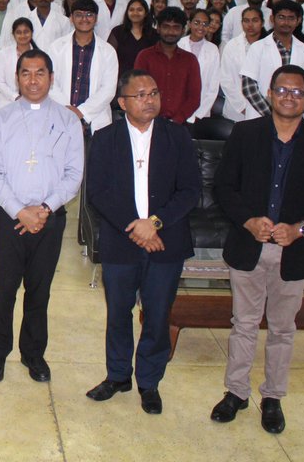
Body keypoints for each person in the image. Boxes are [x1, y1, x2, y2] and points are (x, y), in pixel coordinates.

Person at [210, 65, 304, 434]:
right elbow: (224, 188)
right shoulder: (245, 133)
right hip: (249, 244)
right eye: (282, 90)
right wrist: (248, 221)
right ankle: (236, 392)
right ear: (269, 93)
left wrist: (301, 229)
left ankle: (273, 397)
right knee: (244, 324)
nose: (289, 97)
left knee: (283, 329)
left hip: (293, 250)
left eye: (298, 92)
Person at [85, 69, 201, 411]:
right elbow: (98, 192)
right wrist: (135, 227)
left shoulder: (177, 136)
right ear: (122, 103)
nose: (149, 100)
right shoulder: (105, 138)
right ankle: (118, 375)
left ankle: (149, 382)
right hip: (121, 241)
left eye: (154, 93)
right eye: (140, 95)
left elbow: (190, 190)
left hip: (166, 240)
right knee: (118, 313)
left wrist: (154, 223)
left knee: (157, 313)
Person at [0, 50, 83, 383]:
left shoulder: (68, 121)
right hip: (9, 216)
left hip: (49, 218)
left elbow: (74, 174)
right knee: (3, 290)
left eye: (40, 73)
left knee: (40, 290)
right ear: (17, 78)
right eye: (26, 73)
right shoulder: (2, 118)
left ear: (51, 78)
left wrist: (45, 209)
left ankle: (34, 354)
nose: (33, 80)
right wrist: (19, 211)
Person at [49, 0, 120, 133]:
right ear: (71, 18)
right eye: (79, 15)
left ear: (96, 19)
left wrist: (81, 112)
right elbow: (50, 83)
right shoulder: (56, 47)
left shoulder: (108, 51)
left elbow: (108, 89)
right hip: (62, 117)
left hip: (95, 122)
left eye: (89, 15)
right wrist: (69, 111)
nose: (84, 19)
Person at [240, 0, 304, 118]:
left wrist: (293, 111)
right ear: (272, 19)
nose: (286, 22)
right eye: (281, 17)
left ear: (298, 21)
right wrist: (273, 115)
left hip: (293, 117)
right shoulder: (257, 48)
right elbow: (248, 87)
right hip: (261, 115)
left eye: (291, 18)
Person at [133, 7, 200, 124]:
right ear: (158, 28)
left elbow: (194, 98)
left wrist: (176, 120)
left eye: (176, 27)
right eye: (166, 27)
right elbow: (138, 91)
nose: (170, 32)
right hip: (148, 123)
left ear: (183, 30)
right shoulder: (145, 56)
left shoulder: (190, 60)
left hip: (180, 124)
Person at [184, 9, 220, 121]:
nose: (201, 27)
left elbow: (214, 85)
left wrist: (199, 113)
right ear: (189, 24)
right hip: (177, 109)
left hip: (201, 111)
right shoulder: (178, 45)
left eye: (205, 24)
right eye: (197, 23)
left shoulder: (213, 49)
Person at [108, 0, 157, 77]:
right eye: (131, 10)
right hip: (122, 79)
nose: (135, 13)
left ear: (146, 13)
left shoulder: (154, 34)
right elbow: (108, 57)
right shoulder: (117, 32)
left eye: (139, 10)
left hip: (146, 79)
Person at [0, 18, 37, 105]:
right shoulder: (4, 54)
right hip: (8, 101)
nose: (23, 35)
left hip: (34, 101)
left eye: (26, 32)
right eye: (18, 32)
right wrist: (15, 97)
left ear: (32, 33)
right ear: (13, 34)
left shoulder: (39, 56)